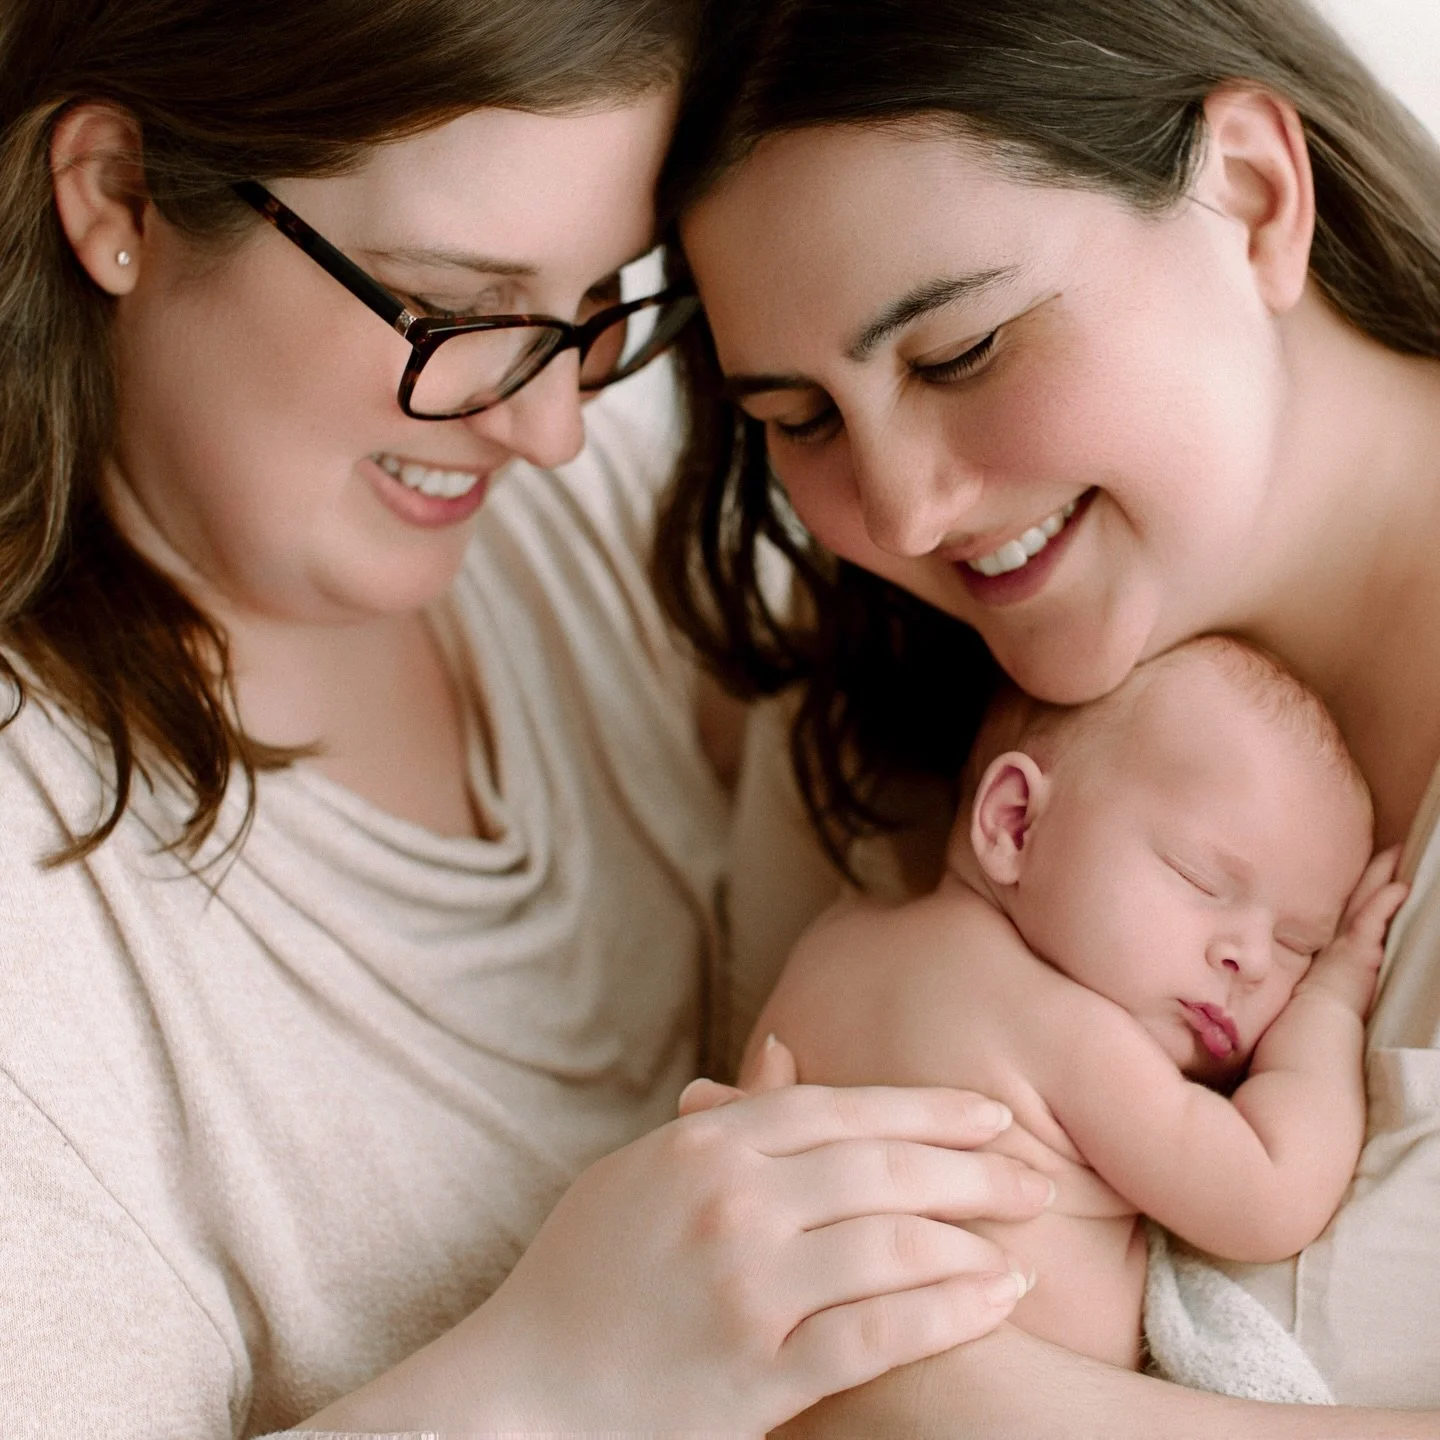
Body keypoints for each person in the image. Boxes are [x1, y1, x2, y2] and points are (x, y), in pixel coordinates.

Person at [0, 2, 1061, 1436]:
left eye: (587, 311)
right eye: (449, 310)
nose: (547, 425)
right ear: (118, 197)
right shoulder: (44, 898)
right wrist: (555, 1385)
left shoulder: (585, 532)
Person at [658, 0, 1440, 1430]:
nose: (897, 512)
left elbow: (831, 1369)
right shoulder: (864, 739)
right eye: (803, 418)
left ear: (1255, 197)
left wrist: (959, 1398)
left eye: (961, 351)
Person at [740, 635, 1406, 1375]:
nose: (1248, 961)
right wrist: (1331, 1000)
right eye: (1201, 879)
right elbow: (1270, 1192)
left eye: (1298, 946)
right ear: (1015, 823)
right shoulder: (1064, 1034)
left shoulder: (832, 941)